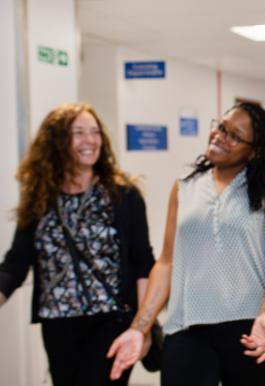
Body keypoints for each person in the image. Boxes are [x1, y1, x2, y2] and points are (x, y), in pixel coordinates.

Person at [107, 102, 265, 386]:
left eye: (234, 135)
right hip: (187, 326)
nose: (220, 136)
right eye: (220, 127)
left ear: (254, 150)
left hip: (250, 328)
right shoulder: (184, 186)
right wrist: (139, 328)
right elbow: (167, 263)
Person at [0, 103, 155, 386]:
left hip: (112, 320)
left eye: (95, 132)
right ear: (57, 142)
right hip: (58, 324)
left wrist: (141, 328)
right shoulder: (40, 199)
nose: (90, 141)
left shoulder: (122, 195)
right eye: (79, 133)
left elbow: (144, 263)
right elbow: (15, 263)